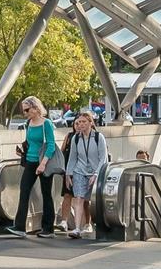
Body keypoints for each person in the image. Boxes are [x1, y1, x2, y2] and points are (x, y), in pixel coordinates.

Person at [6, 96, 61, 238]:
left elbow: (50, 145)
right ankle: (19, 226)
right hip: (30, 161)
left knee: (46, 193)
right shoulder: (28, 123)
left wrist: (43, 164)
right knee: (24, 190)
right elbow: (31, 143)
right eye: (23, 110)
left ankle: (48, 229)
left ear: (36, 108)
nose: (25, 113)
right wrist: (22, 152)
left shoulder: (46, 124)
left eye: (27, 109)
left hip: (44, 162)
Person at [62, 111, 109, 240]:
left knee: (95, 200)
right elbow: (72, 158)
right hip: (79, 171)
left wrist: (96, 174)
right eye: (78, 122)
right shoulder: (76, 139)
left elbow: (103, 158)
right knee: (78, 198)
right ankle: (77, 228)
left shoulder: (99, 137)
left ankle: (99, 224)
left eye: (84, 122)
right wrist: (68, 174)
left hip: (95, 171)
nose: (81, 124)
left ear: (90, 123)